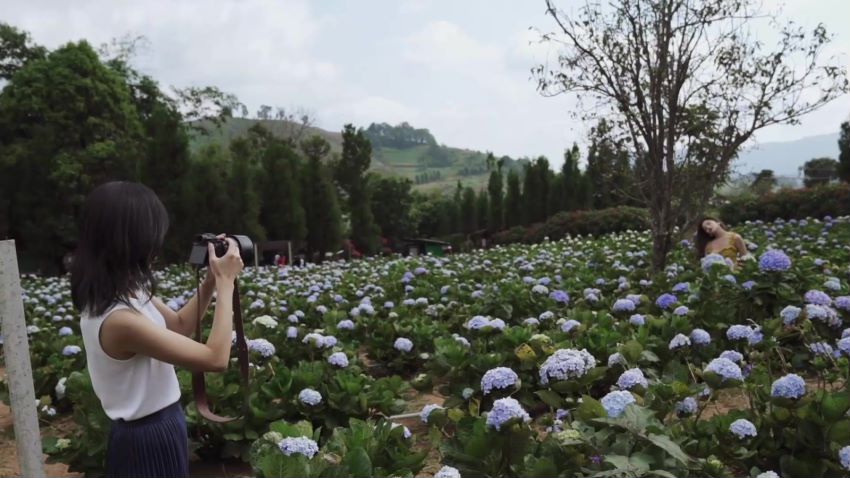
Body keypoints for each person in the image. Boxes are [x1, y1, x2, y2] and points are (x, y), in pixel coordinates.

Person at [71, 181, 243, 478]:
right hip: (144, 440)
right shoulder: (118, 320)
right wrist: (227, 284)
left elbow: (178, 327)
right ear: (131, 241)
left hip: (162, 425)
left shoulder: (126, 290)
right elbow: (215, 358)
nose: (156, 246)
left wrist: (211, 281)